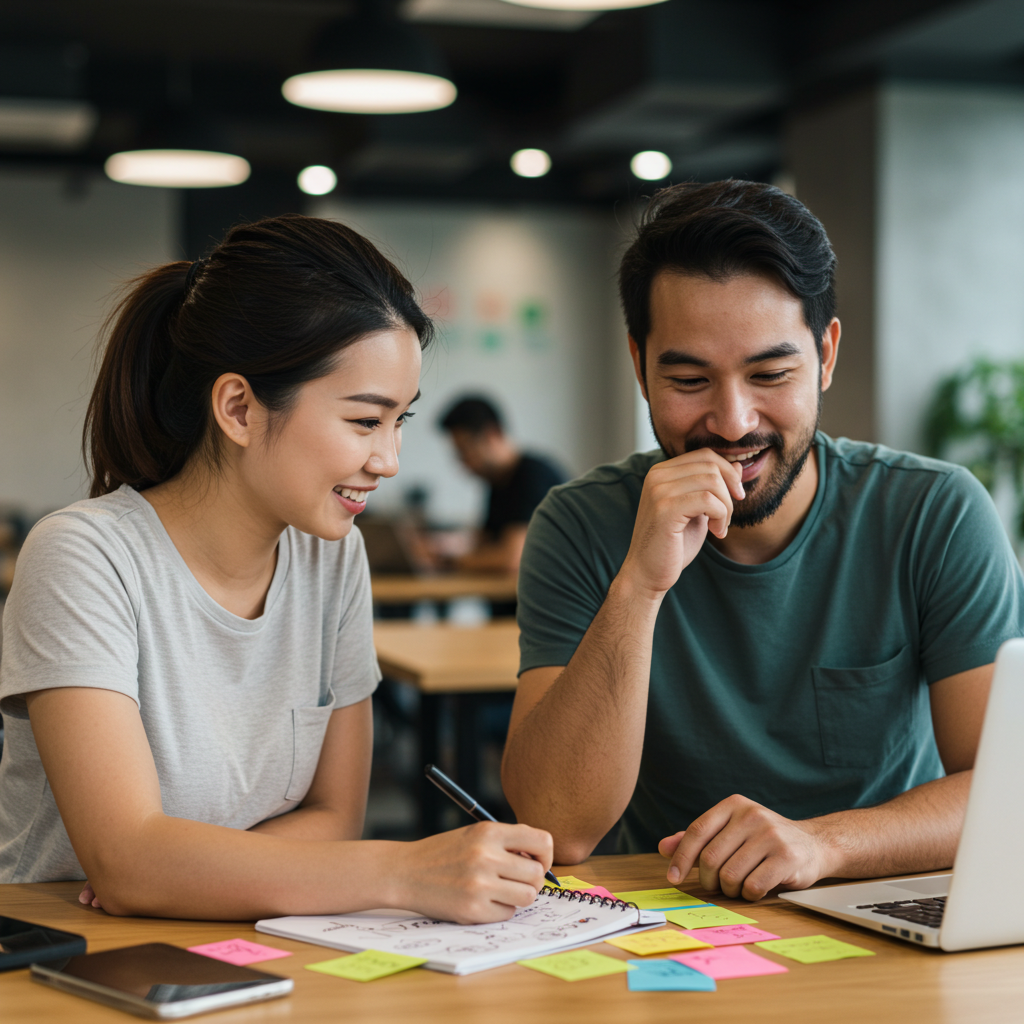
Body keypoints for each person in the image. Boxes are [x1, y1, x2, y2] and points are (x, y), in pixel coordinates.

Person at [0, 214, 552, 922]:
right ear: (238, 409)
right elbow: (130, 862)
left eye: (401, 421)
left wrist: (178, 871)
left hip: (255, 942)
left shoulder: (333, 556)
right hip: (78, 954)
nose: (388, 460)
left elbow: (336, 818)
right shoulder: (84, 557)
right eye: (365, 420)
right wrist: (405, 869)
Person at [501, 180, 1024, 902]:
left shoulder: (934, 512)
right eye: (689, 379)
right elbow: (558, 825)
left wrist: (823, 844)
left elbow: (1005, 792)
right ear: (640, 365)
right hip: (669, 916)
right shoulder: (580, 523)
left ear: (827, 354)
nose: (733, 420)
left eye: (771, 374)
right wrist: (640, 586)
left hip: (877, 900)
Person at [438, 396, 565, 574]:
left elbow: (512, 559)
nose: (463, 462)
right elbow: (483, 543)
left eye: (465, 450)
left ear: (492, 434)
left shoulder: (533, 476)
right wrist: (443, 546)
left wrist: (448, 561)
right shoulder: (497, 482)